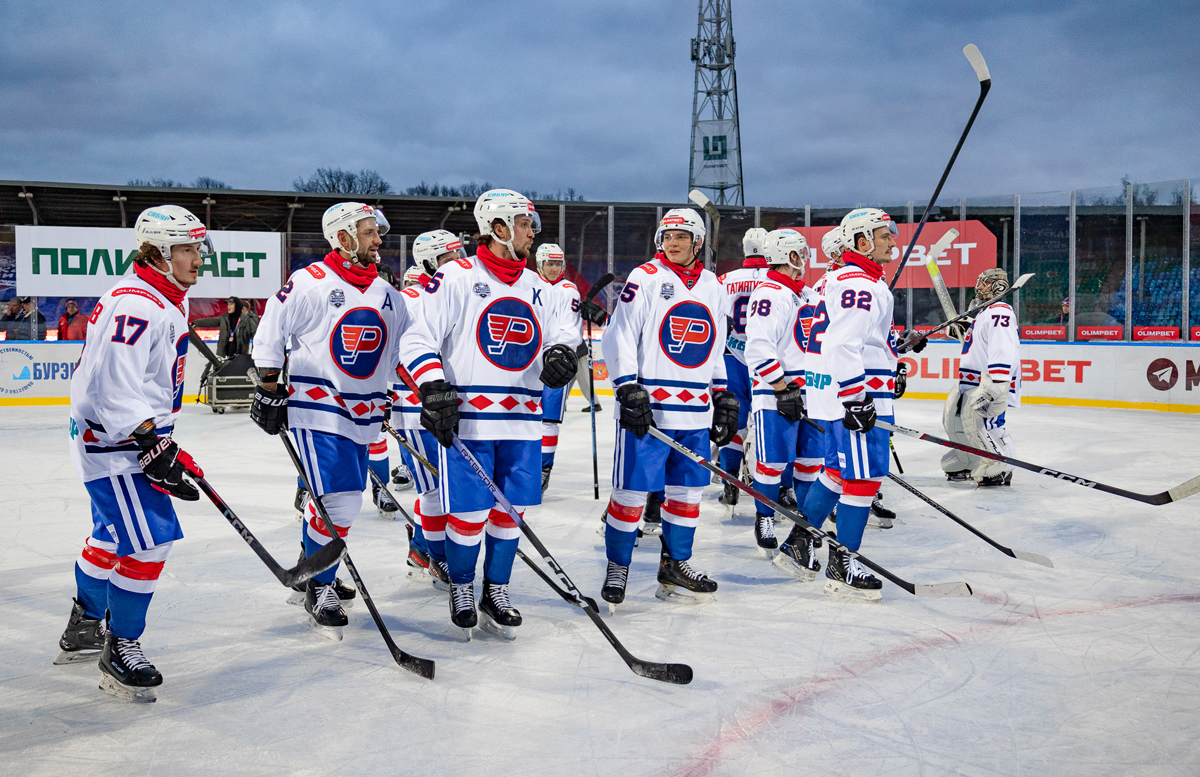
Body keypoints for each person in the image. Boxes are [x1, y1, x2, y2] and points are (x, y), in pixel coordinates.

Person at [400, 189, 577, 639]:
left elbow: (562, 332)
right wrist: (433, 385)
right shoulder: (457, 276)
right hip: (470, 420)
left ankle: (495, 591)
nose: (532, 233)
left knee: (511, 512)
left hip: (523, 418)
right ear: (498, 228)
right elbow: (417, 337)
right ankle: (462, 586)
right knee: (469, 513)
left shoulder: (538, 286)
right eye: (524, 224)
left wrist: (561, 352)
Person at [56, 205, 210, 701]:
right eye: (187, 249)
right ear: (158, 253)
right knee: (148, 542)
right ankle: (120, 647)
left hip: (121, 436)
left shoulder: (160, 296)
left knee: (111, 534)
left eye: (197, 248)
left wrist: (157, 437)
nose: (198, 258)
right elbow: (111, 386)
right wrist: (150, 441)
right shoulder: (138, 305)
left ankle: (84, 622)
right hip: (115, 444)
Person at [251, 201, 411, 640]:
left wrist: (404, 394)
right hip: (318, 409)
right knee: (340, 503)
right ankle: (319, 588)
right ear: (342, 237)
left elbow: (398, 354)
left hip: (364, 413)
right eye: (368, 232)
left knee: (335, 501)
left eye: (377, 232)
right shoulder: (310, 282)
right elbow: (270, 334)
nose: (378, 240)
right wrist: (268, 386)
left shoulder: (388, 295)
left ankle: (312, 568)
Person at [598, 208, 736, 610]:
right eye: (667, 236)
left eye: (681, 236)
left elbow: (715, 344)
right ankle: (617, 566)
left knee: (687, 493)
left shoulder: (713, 285)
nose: (672, 243)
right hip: (649, 410)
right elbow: (619, 334)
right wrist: (627, 386)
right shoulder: (646, 277)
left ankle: (675, 564)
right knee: (631, 493)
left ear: (698, 242)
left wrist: (723, 394)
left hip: (695, 409)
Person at [782, 208, 900, 601]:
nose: (893, 241)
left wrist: (891, 352)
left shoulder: (839, 278)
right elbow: (841, 345)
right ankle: (842, 564)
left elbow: (857, 339)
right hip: (855, 393)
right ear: (863, 242)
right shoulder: (861, 284)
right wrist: (856, 397)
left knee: (836, 471)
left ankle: (799, 542)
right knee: (863, 479)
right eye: (885, 235)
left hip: (835, 392)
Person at [393, 228, 469, 590]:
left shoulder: (460, 293)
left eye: (460, 255)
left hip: (451, 409)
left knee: (450, 489)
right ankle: (437, 557)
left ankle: (422, 549)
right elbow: (399, 359)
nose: (458, 263)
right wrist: (427, 394)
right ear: (426, 263)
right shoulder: (410, 299)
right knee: (435, 490)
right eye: (448, 258)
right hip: (417, 409)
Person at [741, 229, 820, 556]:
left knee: (811, 463)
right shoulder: (769, 294)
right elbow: (758, 348)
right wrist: (781, 388)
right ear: (791, 256)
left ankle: (806, 525)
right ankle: (764, 517)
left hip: (813, 393)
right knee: (772, 463)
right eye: (802, 252)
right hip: (776, 394)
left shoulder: (809, 295)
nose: (807, 258)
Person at [940, 268, 1020, 486]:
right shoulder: (985, 313)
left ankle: (1001, 467)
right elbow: (979, 343)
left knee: (988, 425)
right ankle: (969, 459)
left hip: (988, 381)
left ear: (998, 286)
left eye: (984, 283)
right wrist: (965, 330)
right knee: (956, 420)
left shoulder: (1000, 311)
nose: (979, 287)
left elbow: (1002, 348)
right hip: (971, 380)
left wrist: (997, 385)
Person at [712, 227, 769, 510]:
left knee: (732, 420)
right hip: (768, 362)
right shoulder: (777, 279)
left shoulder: (725, 280)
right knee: (769, 423)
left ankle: (730, 482)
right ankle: (777, 487)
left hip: (731, 358)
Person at [533, 242, 587, 493]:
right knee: (523, 416)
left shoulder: (568, 291)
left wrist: (553, 353)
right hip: (528, 362)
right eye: (549, 264)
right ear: (539, 264)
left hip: (557, 362)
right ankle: (523, 467)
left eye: (558, 264)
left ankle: (543, 470)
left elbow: (571, 332)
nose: (554, 269)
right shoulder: (529, 285)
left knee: (548, 420)